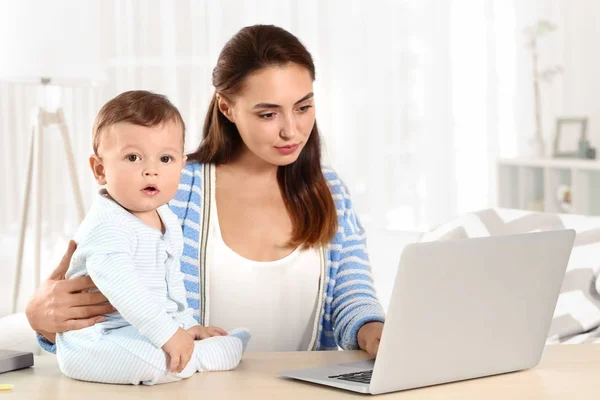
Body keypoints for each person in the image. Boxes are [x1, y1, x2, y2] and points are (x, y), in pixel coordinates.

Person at [26, 24, 385, 358]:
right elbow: (120, 295)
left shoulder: (329, 189)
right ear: (226, 107)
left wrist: (374, 332)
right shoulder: (172, 188)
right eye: (268, 114)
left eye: (303, 107)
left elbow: (352, 296)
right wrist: (43, 319)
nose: (292, 130)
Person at [55, 90, 249, 385]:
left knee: (170, 353)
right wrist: (168, 335)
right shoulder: (107, 226)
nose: (151, 170)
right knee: (158, 362)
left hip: (141, 330)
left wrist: (185, 326)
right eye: (133, 157)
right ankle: (198, 356)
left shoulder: (166, 218)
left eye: (166, 158)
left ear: (181, 166)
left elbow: (173, 286)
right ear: (100, 169)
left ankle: (199, 351)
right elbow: (125, 290)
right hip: (95, 339)